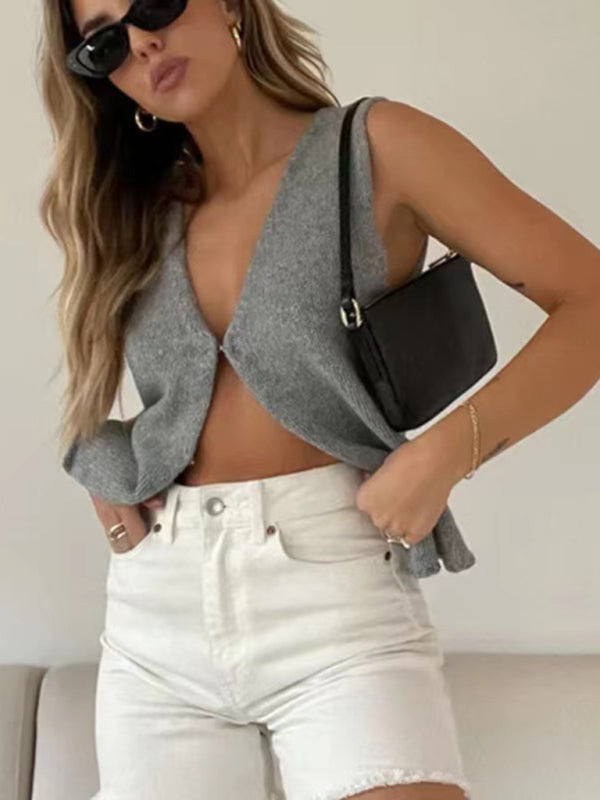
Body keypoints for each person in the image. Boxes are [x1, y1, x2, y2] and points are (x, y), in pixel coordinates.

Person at [37, 1, 600, 799]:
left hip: (338, 595)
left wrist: (446, 452)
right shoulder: (133, 207)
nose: (142, 42)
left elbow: (589, 301)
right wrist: (104, 464)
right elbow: (130, 390)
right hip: (158, 616)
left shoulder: (377, 148)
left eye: (154, 4)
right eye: (104, 44)